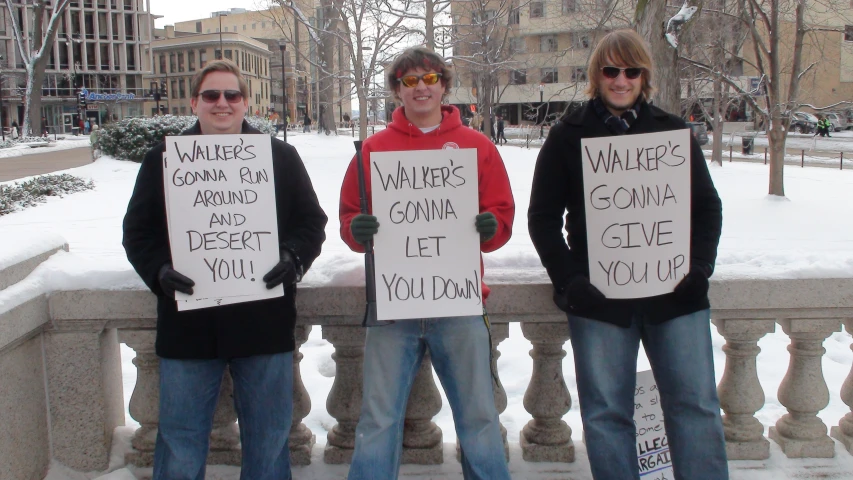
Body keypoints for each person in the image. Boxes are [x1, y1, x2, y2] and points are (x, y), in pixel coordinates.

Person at [527, 29, 727, 480]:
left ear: (644, 76)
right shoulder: (566, 136)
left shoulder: (673, 133)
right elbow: (542, 219)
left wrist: (700, 267)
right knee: (605, 415)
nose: (621, 80)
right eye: (610, 70)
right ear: (596, 75)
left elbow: (707, 208)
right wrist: (570, 281)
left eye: (631, 70)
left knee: (695, 406)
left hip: (676, 295)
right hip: (599, 302)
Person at [122, 59, 328, 480]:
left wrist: (292, 256)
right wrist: (160, 271)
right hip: (189, 323)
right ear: (195, 102)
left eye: (231, 95)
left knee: (270, 440)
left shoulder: (280, 156)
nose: (222, 103)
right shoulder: (163, 158)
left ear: (245, 102)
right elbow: (138, 233)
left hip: (263, 322)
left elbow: (311, 223)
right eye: (211, 95)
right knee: (180, 439)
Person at [339, 47, 514, 480]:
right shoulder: (373, 151)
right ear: (397, 90)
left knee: (479, 418)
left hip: (459, 305)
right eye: (410, 80)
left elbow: (503, 220)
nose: (421, 87)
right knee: (378, 421)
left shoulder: (477, 146)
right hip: (393, 309)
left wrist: (489, 226)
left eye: (430, 79)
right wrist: (356, 230)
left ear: (444, 86)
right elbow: (348, 218)